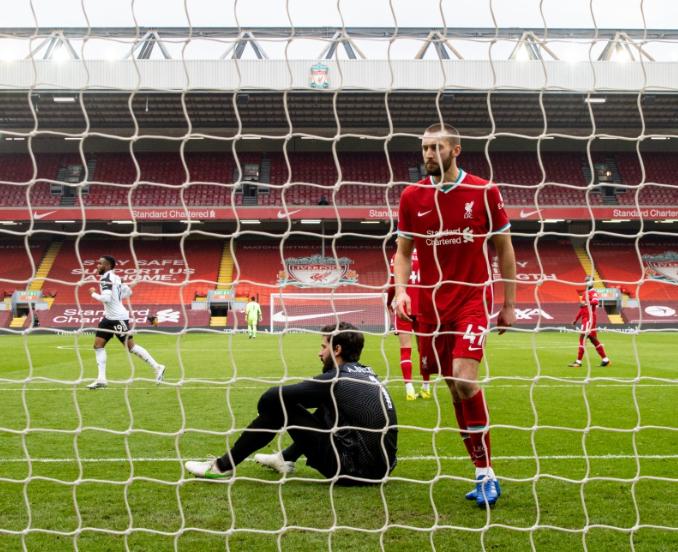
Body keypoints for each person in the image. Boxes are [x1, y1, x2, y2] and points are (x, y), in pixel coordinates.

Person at [394, 123, 517, 508]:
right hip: (430, 306)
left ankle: (486, 475)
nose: (428, 154)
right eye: (425, 147)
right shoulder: (412, 196)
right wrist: (400, 291)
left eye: (436, 147)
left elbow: (504, 247)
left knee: (466, 381)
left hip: (471, 300)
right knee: (451, 388)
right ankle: (481, 471)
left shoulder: (484, 191)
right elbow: (402, 251)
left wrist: (509, 303)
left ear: (456, 150)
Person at [185, 322, 397, 485]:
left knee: (280, 407)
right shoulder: (369, 374)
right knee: (328, 406)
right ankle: (285, 459)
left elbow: (272, 396)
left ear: (337, 350)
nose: (319, 353)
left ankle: (222, 467)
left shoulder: (337, 378)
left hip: (353, 470)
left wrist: (269, 416)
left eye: (323, 347)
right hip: (381, 470)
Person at [86, 255, 165, 389]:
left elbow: (105, 298)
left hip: (118, 318)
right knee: (98, 345)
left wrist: (93, 293)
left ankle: (157, 366)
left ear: (107, 266)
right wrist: (116, 298)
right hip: (108, 318)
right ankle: (101, 379)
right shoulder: (117, 278)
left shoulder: (106, 279)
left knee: (131, 347)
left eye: (100, 264)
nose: (97, 266)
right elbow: (128, 292)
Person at [386, 245, 431, 401]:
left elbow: (393, 283)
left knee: (405, 350)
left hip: (404, 307)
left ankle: (409, 390)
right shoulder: (427, 253)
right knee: (423, 349)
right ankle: (426, 388)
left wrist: (388, 300)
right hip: (424, 307)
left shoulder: (397, 256)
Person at [568, 276, 611, 368]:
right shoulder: (585, 293)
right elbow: (582, 308)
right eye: (585, 281)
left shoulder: (593, 292)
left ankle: (578, 362)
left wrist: (586, 303)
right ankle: (605, 360)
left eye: (588, 281)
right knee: (594, 339)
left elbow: (596, 302)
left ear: (592, 283)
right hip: (585, 319)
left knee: (582, 337)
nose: (586, 282)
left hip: (589, 319)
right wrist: (576, 319)